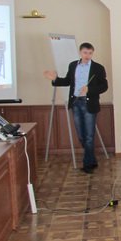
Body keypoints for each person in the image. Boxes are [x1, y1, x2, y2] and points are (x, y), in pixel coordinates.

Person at [44, 42, 108, 173]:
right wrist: (55, 79)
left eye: (90, 53)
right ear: (80, 52)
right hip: (76, 103)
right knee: (81, 136)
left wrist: (90, 89)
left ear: (92, 53)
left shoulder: (98, 68)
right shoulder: (73, 65)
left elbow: (104, 86)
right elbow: (67, 81)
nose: (87, 55)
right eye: (85, 53)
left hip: (89, 103)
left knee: (89, 136)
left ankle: (88, 165)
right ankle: (92, 160)